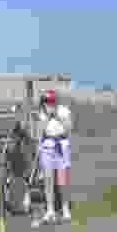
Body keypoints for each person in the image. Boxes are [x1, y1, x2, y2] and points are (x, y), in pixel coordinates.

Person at [33, 88, 73, 224]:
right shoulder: (41, 113)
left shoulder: (63, 111)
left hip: (61, 144)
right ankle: (50, 209)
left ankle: (65, 208)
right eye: (46, 101)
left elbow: (69, 128)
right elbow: (40, 132)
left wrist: (57, 115)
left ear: (56, 101)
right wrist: (38, 148)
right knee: (48, 179)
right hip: (47, 145)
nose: (49, 104)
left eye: (51, 101)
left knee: (62, 180)